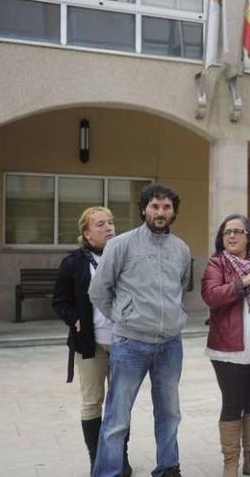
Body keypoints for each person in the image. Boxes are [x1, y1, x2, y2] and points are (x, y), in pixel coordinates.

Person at [89, 184, 191, 477]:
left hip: (170, 344)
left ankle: (168, 468)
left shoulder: (181, 249)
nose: (160, 213)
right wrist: (124, 317)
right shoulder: (121, 244)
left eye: (166, 207)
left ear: (173, 212)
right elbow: (98, 290)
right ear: (144, 209)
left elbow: (180, 288)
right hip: (130, 344)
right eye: (155, 207)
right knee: (117, 416)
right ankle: (108, 472)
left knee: (170, 413)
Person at [53, 207, 132, 476]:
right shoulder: (73, 263)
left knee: (120, 403)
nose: (109, 227)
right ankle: (97, 460)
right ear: (86, 233)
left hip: (123, 341)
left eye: (111, 222)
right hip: (91, 343)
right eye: (100, 224)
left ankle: (120, 458)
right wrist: (75, 319)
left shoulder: (124, 256)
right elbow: (60, 301)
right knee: (92, 401)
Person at [201, 214, 250, 477]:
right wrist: (241, 283)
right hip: (229, 349)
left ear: (249, 236)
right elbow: (211, 296)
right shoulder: (216, 263)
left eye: (238, 231)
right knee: (233, 403)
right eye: (227, 232)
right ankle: (230, 465)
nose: (232, 236)